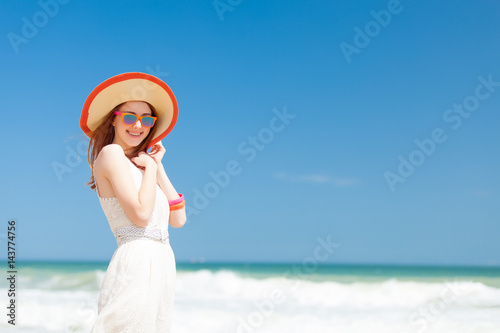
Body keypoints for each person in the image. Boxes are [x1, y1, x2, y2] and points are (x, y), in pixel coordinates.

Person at [79, 72, 186, 332]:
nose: (138, 125)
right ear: (113, 121)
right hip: (136, 260)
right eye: (129, 117)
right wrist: (149, 169)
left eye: (147, 119)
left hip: (162, 263)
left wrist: (157, 167)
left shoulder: (143, 166)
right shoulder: (111, 154)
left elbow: (178, 220)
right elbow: (140, 215)